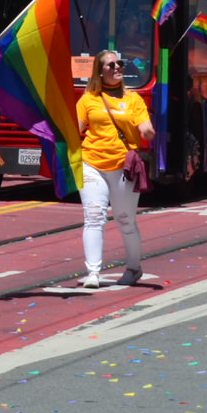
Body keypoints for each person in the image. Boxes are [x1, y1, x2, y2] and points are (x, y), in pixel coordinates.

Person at [73, 49, 153, 288]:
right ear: (100, 72)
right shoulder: (88, 100)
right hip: (91, 163)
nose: (118, 67)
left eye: (120, 63)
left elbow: (145, 126)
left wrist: (147, 131)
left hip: (123, 166)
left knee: (125, 219)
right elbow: (75, 128)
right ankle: (93, 272)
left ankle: (134, 268)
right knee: (94, 216)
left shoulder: (133, 99)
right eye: (111, 65)